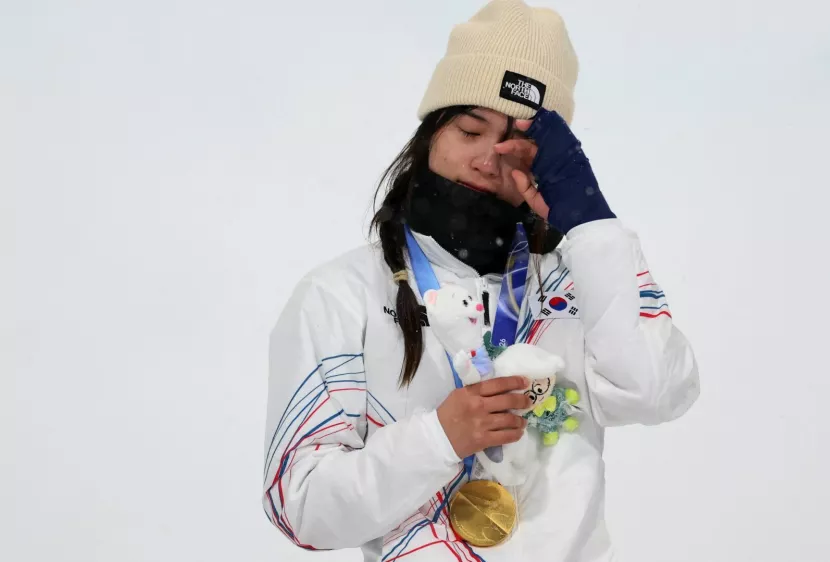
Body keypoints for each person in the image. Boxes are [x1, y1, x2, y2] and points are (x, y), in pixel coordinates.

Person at [261, 1, 700, 560]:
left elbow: (655, 393)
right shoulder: (341, 295)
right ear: (430, 135)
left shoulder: (584, 277)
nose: (489, 158)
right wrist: (437, 438)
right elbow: (303, 509)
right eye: (470, 128)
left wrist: (590, 224)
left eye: (518, 142)